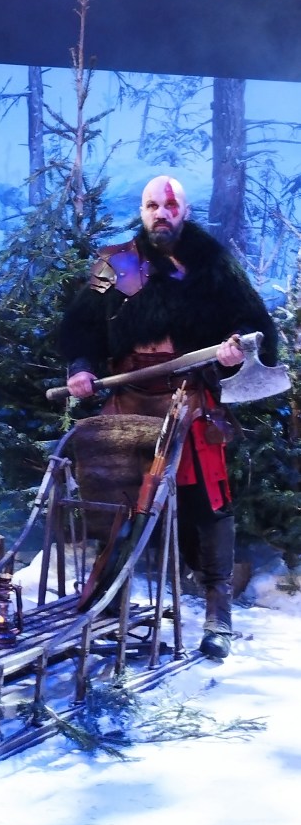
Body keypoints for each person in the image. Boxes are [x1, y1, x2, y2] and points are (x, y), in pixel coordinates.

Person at [59, 174, 278, 660]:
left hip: (190, 399)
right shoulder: (116, 263)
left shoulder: (212, 264)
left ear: (185, 211)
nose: (162, 213)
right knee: (117, 507)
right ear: (143, 211)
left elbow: (254, 323)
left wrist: (236, 348)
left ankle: (218, 615)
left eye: (171, 206)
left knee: (206, 505)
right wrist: (81, 367)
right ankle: (107, 606)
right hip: (127, 399)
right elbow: (80, 327)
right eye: (153, 206)